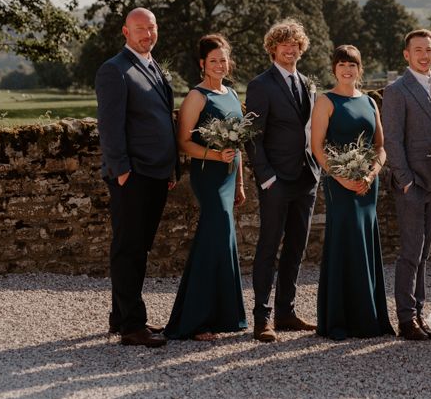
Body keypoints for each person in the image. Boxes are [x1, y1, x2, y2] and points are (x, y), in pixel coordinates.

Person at [95, 7, 179, 348]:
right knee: (128, 249)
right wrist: (122, 170)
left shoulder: (153, 67)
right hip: (133, 174)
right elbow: (110, 127)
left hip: (157, 173)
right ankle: (132, 325)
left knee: (138, 248)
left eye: (152, 27)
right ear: (125, 32)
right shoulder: (114, 70)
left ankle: (120, 316)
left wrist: (172, 167)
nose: (147, 34)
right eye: (140, 29)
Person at [164, 35, 247, 341]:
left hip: (228, 177)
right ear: (202, 64)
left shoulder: (232, 94)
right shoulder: (197, 97)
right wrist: (214, 155)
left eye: (223, 60)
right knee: (214, 239)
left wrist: (239, 182)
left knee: (221, 242)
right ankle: (195, 321)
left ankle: (223, 316)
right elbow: (183, 143)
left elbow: (237, 145)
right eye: (213, 60)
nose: (219, 65)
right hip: (208, 177)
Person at [311, 45, 394, 340]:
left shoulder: (370, 102)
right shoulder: (326, 101)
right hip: (340, 185)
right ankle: (339, 320)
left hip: (368, 186)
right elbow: (317, 148)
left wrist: (372, 173)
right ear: (334, 68)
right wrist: (341, 178)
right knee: (344, 245)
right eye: (342, 64)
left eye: (353, 65)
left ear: (360, 69)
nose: (347, 70)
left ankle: (368, 318)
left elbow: (380, 146)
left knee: (365, 246)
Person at [246, 19, 320, 342]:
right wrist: (267, 178)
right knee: (268, 247)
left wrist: (317, 167)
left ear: (300, 48)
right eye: (284, 44)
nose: (290, 49)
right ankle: (262, 319)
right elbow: (252, 137)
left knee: (296, 247)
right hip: (276, 180)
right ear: (273, 48)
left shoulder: (306, 83)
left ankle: (286, 312)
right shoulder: (260, 85)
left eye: (295, 44)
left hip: (306, 177)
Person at [382, 29, 431, 340]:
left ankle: (420, 313)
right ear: (407, 55)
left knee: (424, 253)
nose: (425, 55)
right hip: (411, 182)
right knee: (410, 251)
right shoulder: (397, 90)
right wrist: (405, 179)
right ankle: (406, 319)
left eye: (429, 49)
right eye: (418, 50)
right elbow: (392, 139)